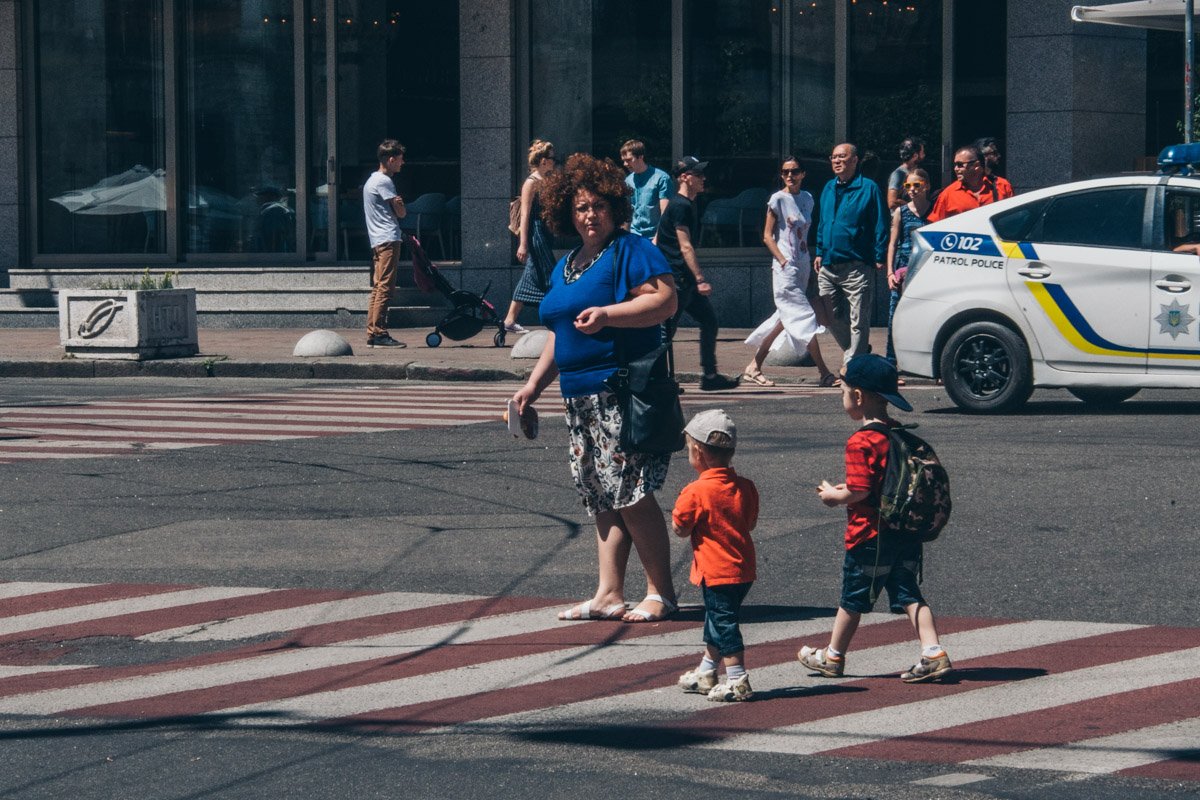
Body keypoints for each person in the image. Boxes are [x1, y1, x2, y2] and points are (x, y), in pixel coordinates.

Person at [511, 153, 678, 624]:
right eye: (581, 207)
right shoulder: (567, 263)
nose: (590, 215)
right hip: (578, 397)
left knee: (630, 491)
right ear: (568, 212)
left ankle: (660, 592)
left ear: (615, 208)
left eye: (599, 206)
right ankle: (608, 593)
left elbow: (664, 299)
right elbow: (560, 336)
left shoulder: (630, 248)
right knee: (599, 493)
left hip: (619, 390)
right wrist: (531, 387)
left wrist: (609, 314)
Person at [798, 354, 952, 684]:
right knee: (910, 595)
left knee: (852, 599)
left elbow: (859, 490)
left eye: (843, 392)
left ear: (857, 396)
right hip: (905, 532)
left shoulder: (862, 441)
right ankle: (933, 651)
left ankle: (833, 656)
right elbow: (878, 484)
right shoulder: (900, 436)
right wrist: (851, 489)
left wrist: (832, 496)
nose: (843, 398)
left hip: (870, 535)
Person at [673, 409, 759, 702]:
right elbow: (749, 522)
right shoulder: (746, 487)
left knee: (723, 622)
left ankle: (737, 678)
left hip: (716, 570)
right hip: (743, 568)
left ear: (697, 451)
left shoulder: (696, 491)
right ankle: (707, 670)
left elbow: (681, 528)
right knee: (716, 618)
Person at [742, 157, 836, 387]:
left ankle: (754, 366)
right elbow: (767, 235)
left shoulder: (807, 199)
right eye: (785, 172)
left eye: (794, 171)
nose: (789, 176)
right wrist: (782, 260)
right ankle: (824, 372)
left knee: (785, 319)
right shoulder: (777, 199)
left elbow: (805, 233)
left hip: (802, 266)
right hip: (785, 269)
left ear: (803, 174)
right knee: (804, 317)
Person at [656, 156, 741, 391]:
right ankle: (658, 378)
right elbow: (685, 246)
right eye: (698, 174)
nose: (704, 178)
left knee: (708, 321)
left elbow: (658, 239)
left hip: (683, 278)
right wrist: (700, 279)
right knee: (665, 331)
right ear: (685, 177)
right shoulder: (680, 205)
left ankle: (710, 376)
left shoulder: (683, 204)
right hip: (678, 279)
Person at [814, 143, 889, 365]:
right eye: (833, 157)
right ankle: (858, 351)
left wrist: (879, 255)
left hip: (857, 264)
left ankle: (854, 365)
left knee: (859, 320)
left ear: (855, 160)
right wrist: (819, 250)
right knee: (828, 315)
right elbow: (823, 222)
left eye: (842, 157)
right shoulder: (828, 187)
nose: (836, 161)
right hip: (828, 264)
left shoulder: (869, 188)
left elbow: (880, 224)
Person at [503, 140, 558, 334]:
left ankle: (509, 320)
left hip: (544, 232)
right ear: (543, 161)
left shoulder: (545, 180)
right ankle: (558, 318)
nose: (554, 162)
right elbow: (525, 214)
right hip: (535, 234)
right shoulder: (531, 183)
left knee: (530, 275)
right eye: (552, 158)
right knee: (551, 275)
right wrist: (523, 244)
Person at [884, 167, 932, 369]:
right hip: (903, 267)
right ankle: (891, 362)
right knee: (895, 315)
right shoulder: (901, 212)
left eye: (916, 185)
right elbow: (893, 243)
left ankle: (927, 362)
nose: (911, 190)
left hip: (927, 269)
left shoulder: (935, 210)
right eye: (908, 186)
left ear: (926, 186)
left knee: (928, 314)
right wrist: (889, 272)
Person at [362, 139, 408, 348]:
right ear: (390, 160)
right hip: (388, 238)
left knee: (378, 286)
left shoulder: (372, 180)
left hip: (377, 239)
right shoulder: (384, 182)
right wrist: (400, 205)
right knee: (386, 287)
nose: (402, 163)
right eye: (399, 159)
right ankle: (379, 332)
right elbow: (401, 213)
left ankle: (373, 331)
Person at [928, 144, 1013, 222]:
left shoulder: (1002, 186)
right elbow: (934, 226)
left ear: (976, 165)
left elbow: (1014, 219)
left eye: (960, 165)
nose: (956, 169)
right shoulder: (948, 194)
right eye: (955, 165)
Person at [620, 139, 673, 242]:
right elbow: (627, 213)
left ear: (640, 157)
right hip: (634, 236)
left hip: (654, 237)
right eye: (623, 160)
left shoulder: (661, 178)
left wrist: (657, 239)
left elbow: (665, 213)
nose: (625, 164)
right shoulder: (628, 181)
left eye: (629, 160)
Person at [886, 137, 926, 211]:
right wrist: (914, 207)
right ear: (915, 156)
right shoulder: (898, 174)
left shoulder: (916, 172)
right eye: (922, 152)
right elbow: (891, 203)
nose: (924, 155)